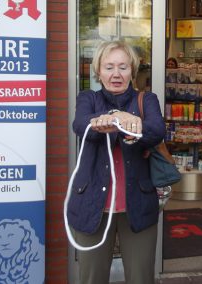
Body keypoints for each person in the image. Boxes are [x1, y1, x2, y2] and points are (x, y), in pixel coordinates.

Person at [67, 40, 165, 284]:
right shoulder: (88, 98)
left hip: (138, 205)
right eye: (109, 67)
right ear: (98, 71)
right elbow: (81, 125)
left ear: (132, 70)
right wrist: (118, 118)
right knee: (91, 278)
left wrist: (120, 122)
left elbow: (156, 130)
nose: (116, 74)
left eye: (123, 67)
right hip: (92, 206)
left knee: (141, 277)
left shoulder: (147, 99)